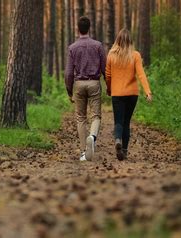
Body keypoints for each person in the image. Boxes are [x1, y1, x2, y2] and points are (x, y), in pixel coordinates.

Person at [106, 29, 153, 160]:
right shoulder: (135, 55)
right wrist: (147, 92)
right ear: (130, 41)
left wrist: (109, 89)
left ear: (118, 40)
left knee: (118, 121)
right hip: (132, 94)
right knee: (126, 122)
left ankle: (117, 140)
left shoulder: (111, 55)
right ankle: (124, 151)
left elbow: (108, 76)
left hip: (117, 93)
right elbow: (141, 74)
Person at [65, 16, 106, 161]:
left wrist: (69, 90)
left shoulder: (72, 48)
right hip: (94, 83)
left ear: (78, 29)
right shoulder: (98, 46)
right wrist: (109, 86)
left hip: (79, 84)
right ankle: (92, 137)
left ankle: (83, 152)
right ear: (89, 28)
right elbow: (104, 68)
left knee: (81, 118)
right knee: (96, 115)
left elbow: (69, 72)